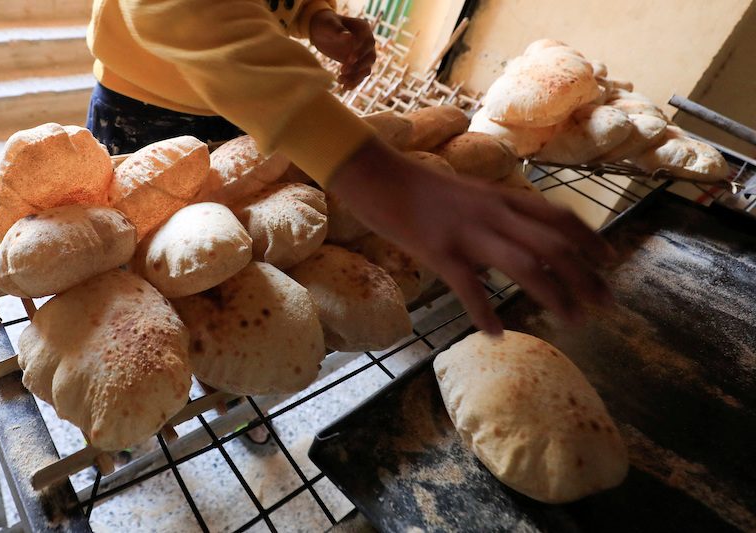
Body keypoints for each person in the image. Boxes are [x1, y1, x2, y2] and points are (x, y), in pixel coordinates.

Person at [86, 0, 614, 337]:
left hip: (244, 102)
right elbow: (174, 7)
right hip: (144, 107)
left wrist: (312, 16)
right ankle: (155, 371)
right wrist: (370, 170)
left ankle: (231, 378)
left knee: (220, 272)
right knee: (146, 265)